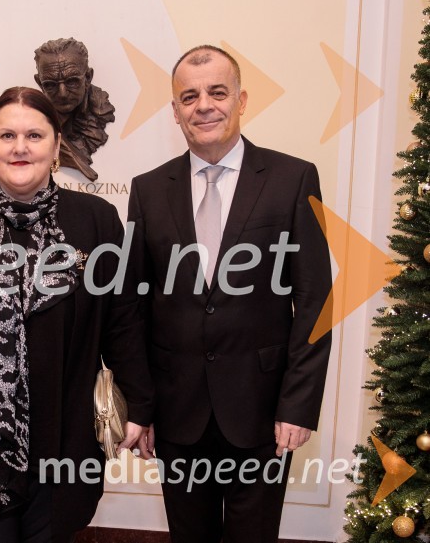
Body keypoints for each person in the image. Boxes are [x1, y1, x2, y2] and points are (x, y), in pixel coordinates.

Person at [0, 87, 153, 542]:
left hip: (66, 436)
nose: (20, 147)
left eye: (35, 135)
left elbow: (123, 321)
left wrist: (140, 406)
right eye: (7, 135)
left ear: (56, 146)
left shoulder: (97, 220)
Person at [127, 45, 332, 543]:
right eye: (189, 96)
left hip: (263, 412)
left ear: (242, 100)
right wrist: (142, 406)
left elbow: (315, 300)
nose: (204, 106)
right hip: (178, 414)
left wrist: (298, 406)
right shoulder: (148, 190)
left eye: (218, 92)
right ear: (175, 112)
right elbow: (134, 307)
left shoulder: (293, 178)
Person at [33, 38, 115, 182]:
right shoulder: (35, 127)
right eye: (51, 85)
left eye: (72, 81)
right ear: (39, 83)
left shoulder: (101, 110)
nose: (62, 93)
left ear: (88, 78)